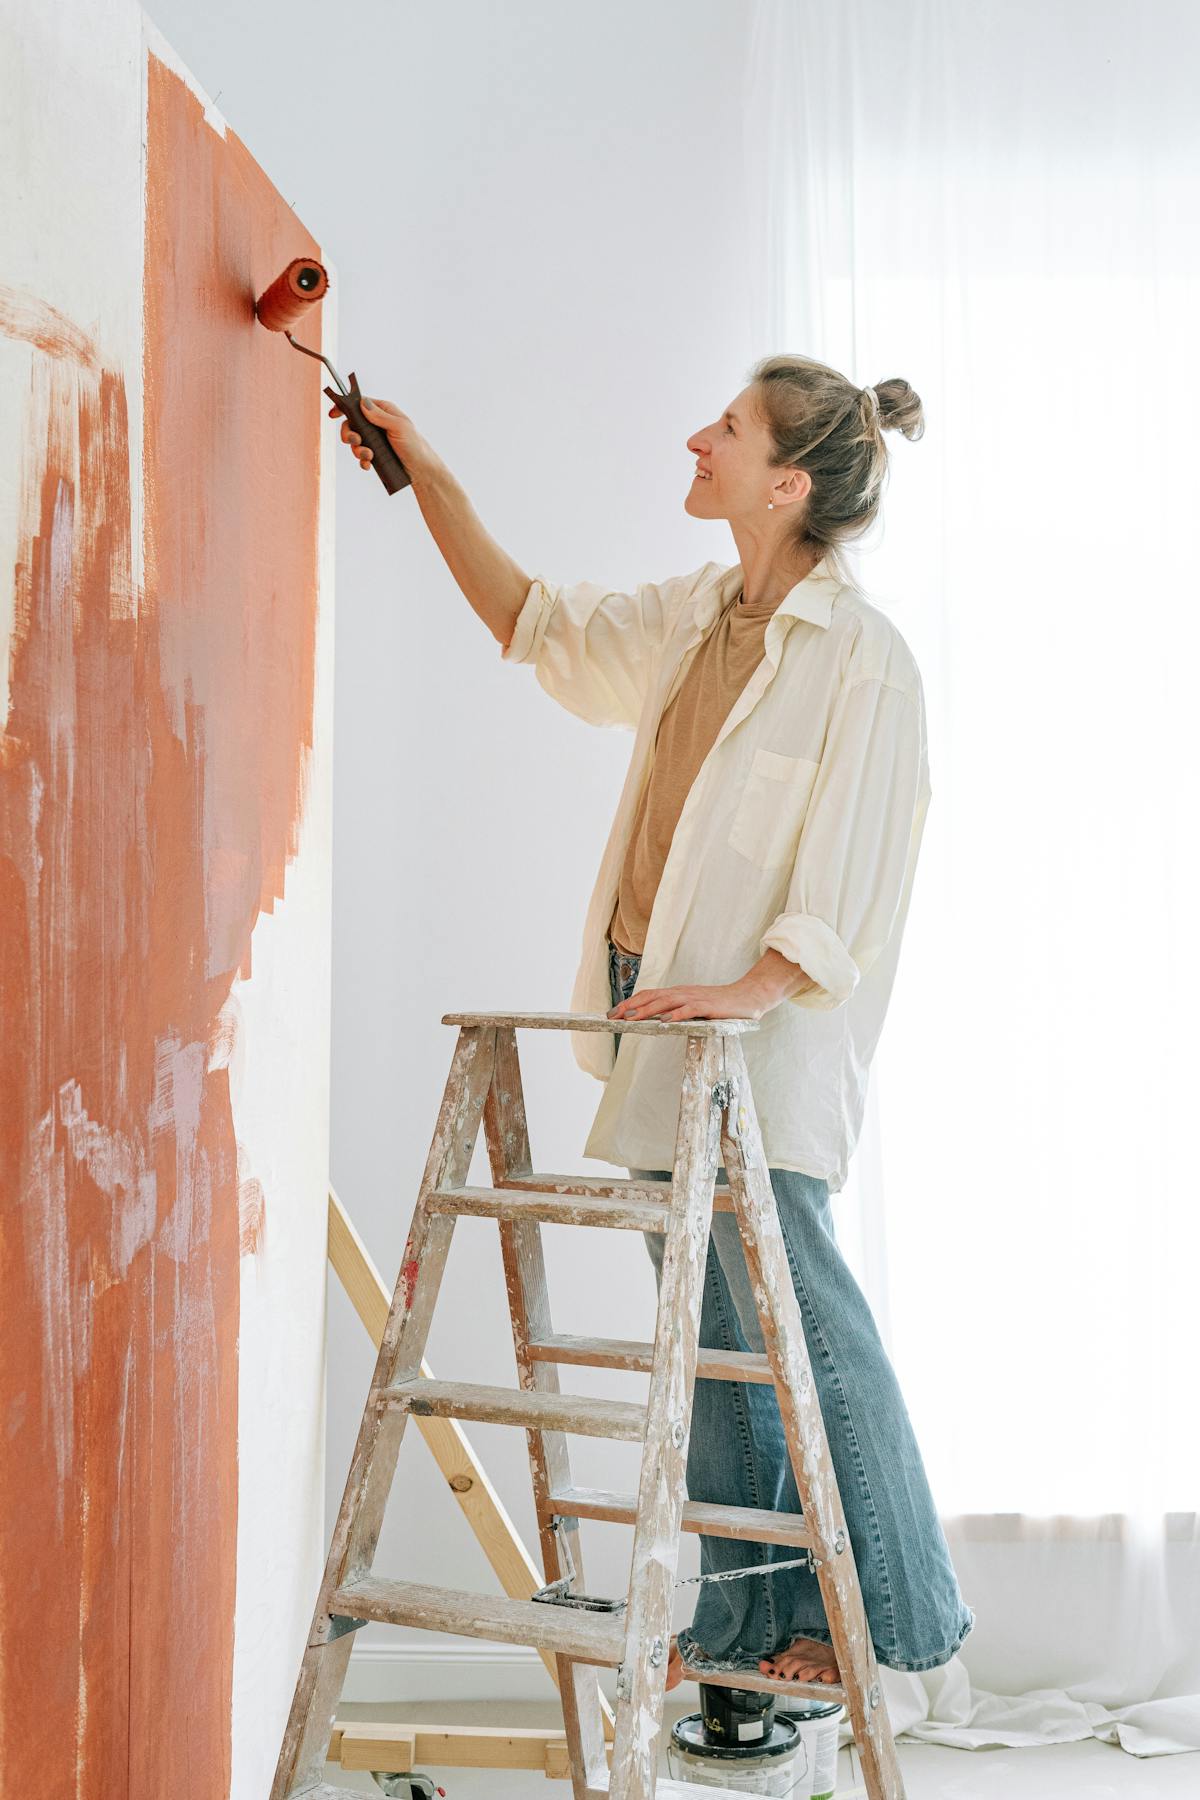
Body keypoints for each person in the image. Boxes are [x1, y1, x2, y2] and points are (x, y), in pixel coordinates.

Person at [331, 354, 975, 1691]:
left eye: (726, 431)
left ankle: (902, 1622)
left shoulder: (868, 663)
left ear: (788, 482)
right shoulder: (699, 615)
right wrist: (425, 473)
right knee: (718, 1327)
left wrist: (748, 993)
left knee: (795, 1311)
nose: (698, 438)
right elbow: (537, 624)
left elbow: (851, 875)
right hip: (656, 1011)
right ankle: (749, 1627)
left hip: (760, 1037)